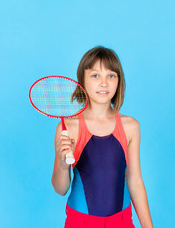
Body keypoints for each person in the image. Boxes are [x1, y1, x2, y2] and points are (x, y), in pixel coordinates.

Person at [51, 46, 154, 228]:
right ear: (82, 80)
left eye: (111, 75)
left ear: (119, 81)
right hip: (79, 222)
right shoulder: (69, 128)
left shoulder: (130, 127)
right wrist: (62, 164)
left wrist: (148, 226)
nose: (104, 83)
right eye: (95, 75)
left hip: (121, 221)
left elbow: (135, 180)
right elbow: (60, 189)